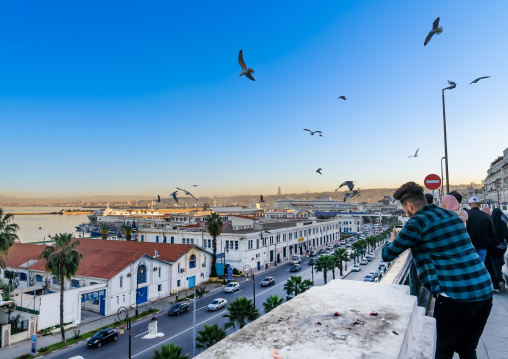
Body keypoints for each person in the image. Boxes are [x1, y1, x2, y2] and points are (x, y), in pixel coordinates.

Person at [382, 182, 493, 359]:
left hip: (456, 297)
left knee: (442, 348)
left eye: (404, 209)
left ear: (410, 206)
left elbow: (387, 254)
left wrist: (392, 239)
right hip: (484, 289)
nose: (405, 212)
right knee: (467, 349)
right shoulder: (450, 215)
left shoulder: (416, 222)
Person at [466, 196, 495, 263]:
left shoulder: (466, 214)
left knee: (470, 266)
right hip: (482, 245)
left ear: (469, 204)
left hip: (468, 245)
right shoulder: (486, 216)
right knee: (481, 266)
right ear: (479, 205)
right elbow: (492, 232)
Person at [485, 208, 508, 293]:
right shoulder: (503, 223)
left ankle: (496, 283)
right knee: (498, 265)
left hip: (491, 249)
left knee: (491, 267)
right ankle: (500, 280)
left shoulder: (490, 222)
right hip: (501, 249)